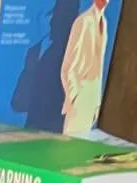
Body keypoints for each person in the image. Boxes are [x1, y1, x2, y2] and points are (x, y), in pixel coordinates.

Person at [10, 0, 80, 132]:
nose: (52, 22)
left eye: (57, 16)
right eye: (53, 16)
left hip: (45, 140)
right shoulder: (52, 53)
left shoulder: (60, 58)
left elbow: (20, 103)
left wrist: (29, 68)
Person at [60, 0, 109, 134]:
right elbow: (68, 65)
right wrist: (74, 95)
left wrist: (96, 101)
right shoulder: (83, 21)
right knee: (69, 146)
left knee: (81, 146)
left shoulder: (104, 22)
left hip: (93, 97)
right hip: (80, 92)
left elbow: (99, 64)